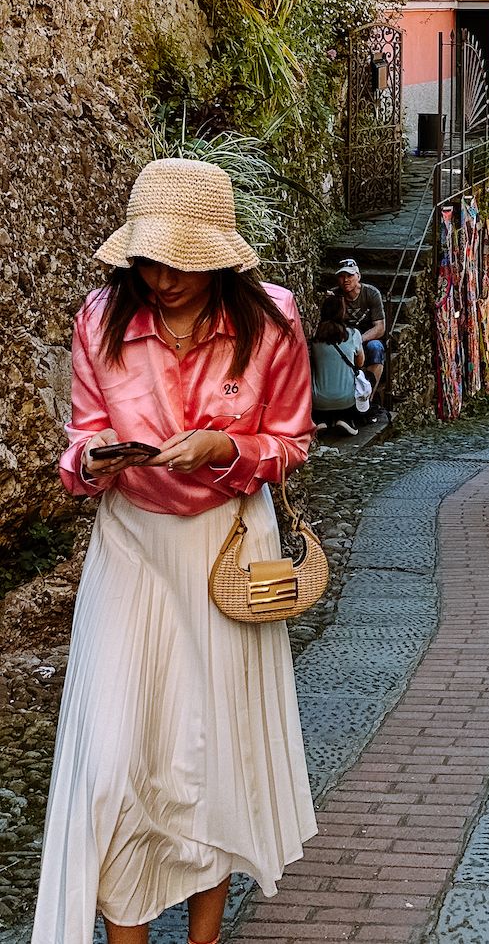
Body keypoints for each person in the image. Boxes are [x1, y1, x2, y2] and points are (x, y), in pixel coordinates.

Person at [33, 158, 317, 944]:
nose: (159, 278)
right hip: (130, 547)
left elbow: (291, 442)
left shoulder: (274, 323)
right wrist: (89, 463)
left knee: (208, 755)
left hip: (227, 548)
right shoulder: (101, 319)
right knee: (114, 760)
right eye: (147, 260)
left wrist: (225, 448)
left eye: (179, 261)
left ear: (220, 256)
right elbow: (83, 435)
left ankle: (203, 937)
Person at [334, 259, 387, 414]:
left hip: (367, 337)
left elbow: (380, 327)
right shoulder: (336, 296)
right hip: (344, 338)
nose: (346, 280)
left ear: (358, 276)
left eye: (349, 276)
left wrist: (358, 340)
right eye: (342, 276)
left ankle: (366, 400)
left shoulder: (370, 293)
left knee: (376, 348)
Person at [310, 292, 365, 436]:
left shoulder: (315, 339)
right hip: (346, 400)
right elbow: (360, 363)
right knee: (367, 376)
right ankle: (347, 419)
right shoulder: (353, 334)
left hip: (318, 400)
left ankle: (321, 421)